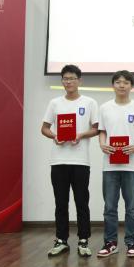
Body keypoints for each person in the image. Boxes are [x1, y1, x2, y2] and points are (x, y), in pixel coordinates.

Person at [41, 64, 99, 257]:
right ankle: (61, 240)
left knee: (82, 201)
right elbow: (44, 128)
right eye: (65, 79)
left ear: (79, 81)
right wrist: (54, 136)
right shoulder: (55, 103)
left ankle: (83, 240)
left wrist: (80, 135)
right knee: (61, 202)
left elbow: (96, 129)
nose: (69, 82)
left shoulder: (89, 102)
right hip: (58, 161)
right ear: (62, 82)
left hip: (81, 161)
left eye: (72, 78)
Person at [97, 70, 134, 258]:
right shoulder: (105, 107)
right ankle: (110, 243)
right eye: (118, 82)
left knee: (131, 207)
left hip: (131, 165)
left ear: (131, 86)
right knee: (110, 207)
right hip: (109, 165)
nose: (122, 85)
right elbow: (102, 131)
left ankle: (131, 242)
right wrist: (102, 144)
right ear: (113, 85)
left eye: (126, 82)